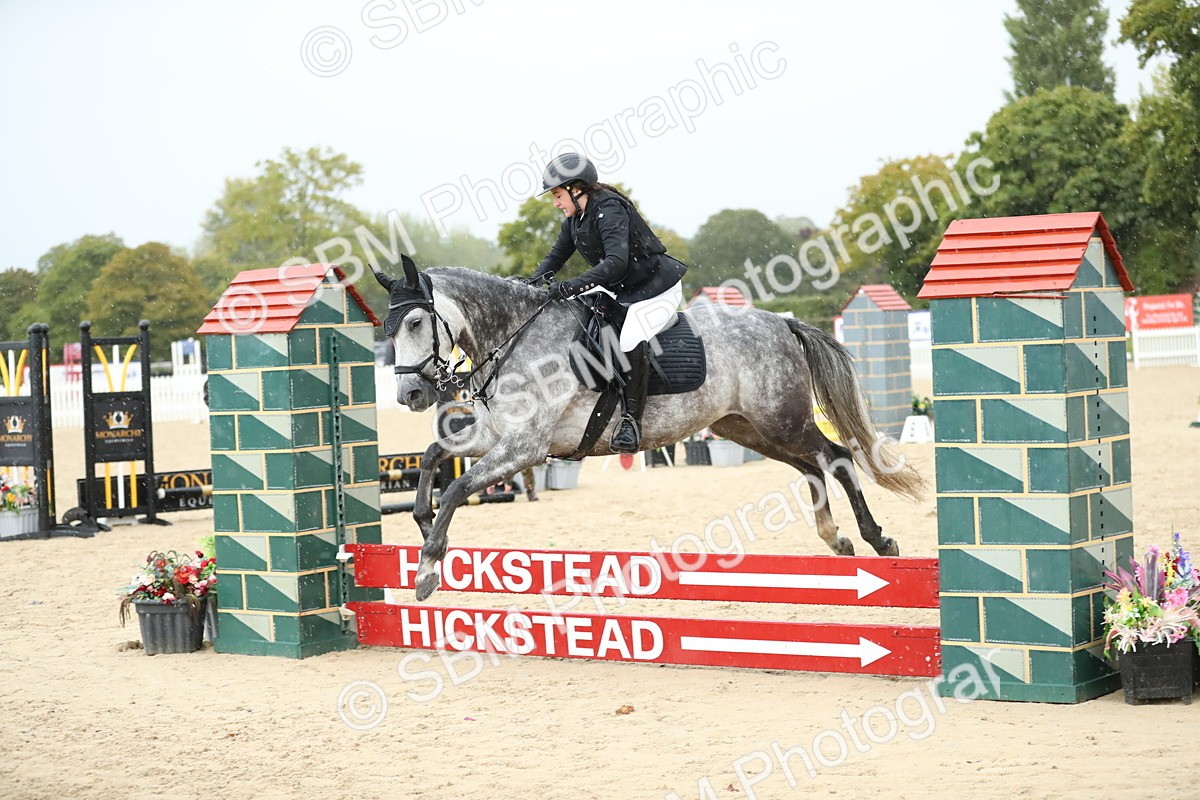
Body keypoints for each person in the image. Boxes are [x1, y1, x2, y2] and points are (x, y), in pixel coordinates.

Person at [523, 152, 687, 454]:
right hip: (623, 288)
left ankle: (631, 422)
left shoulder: (609, 210)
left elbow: (615, 262)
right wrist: (530, 283)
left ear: (576, 188)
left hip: (655, 287)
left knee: (631, 335)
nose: (556, 203)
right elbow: (554, 258)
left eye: (558, 195)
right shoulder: (575, 221)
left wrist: (572, 286)